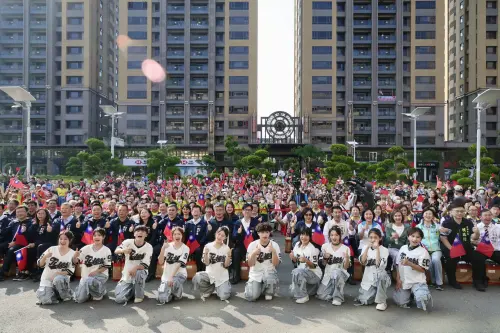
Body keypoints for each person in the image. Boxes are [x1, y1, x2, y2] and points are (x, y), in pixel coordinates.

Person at [440, 204, 486, 291]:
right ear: (452, 212)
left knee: (478, 257)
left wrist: (477, 233)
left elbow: (474, 238)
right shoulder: (446, 223)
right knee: (451, 258)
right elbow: (443, 238)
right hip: (451, 246)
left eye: (462, 211)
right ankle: (452, 280)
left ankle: (478, 281)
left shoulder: (468, 222)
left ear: (465, 212)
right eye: (457, 211)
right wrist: (451, 249)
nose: (460, 213)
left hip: (466, 247)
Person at [393, 228, 432, 311]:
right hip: (405, 281)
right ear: (408, 237)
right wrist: (398, 279)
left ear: (421, 239)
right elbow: (398, 265)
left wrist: (410, 263)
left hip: (417, 281)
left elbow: (423, 270)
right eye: (412, 236)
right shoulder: (403, 248)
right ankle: (410, 295)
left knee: (422, 301)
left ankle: (418, 293)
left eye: (418, 237)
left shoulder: (423, 251)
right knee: (401, 302)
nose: (414, 239)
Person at [114, 225, 153, 304]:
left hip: (140, 272)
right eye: (138, 231)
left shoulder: (149, 247)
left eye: (143, 231)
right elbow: (116, 251)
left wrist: (135, 268)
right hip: (127, 274)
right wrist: (123, 250)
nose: (140, 233)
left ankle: (139, 296)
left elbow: (145, 265)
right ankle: (134, 289)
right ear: (134, 234)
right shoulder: (128, 242)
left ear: (146, 235)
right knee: (120, 299)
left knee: (139, 272)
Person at [35, 231, 77, 305]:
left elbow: (71, 270)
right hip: (47, 279)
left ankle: (66, 294)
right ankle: (53, 294)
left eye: (65, 239)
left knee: (58, 279)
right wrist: (45, 257)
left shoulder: (72, 253)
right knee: (46, 301)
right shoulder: (51, 249)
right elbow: (40, 264)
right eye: (60, 239)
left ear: (70, 240)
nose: (62, 241)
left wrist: (60, 273)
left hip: (61, 280)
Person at [354, 229, 390, 311]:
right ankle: (375, 294)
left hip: (380, 277)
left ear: (380, 238)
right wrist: (367, 248)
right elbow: (362, 262)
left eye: (375, 237)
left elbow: (378, 264)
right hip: (368, 278)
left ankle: (382, 301)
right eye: (370, 237)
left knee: (382, 275)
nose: (373, 239)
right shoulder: (365, 248)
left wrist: (377, 249)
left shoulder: (384, 250)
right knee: (365, 300)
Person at [192, 227, 232, 301]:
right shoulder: (208, 246)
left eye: (222, 235)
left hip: (222, 276)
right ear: (216, 233)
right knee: (197, 276)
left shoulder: (227, 248)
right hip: (210, 274)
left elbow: (226, 266)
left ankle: (225, 286)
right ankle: (209, 289)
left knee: (223, 297)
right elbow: (206, 263)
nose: (219, 237)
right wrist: (206, 254)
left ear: (225, 237)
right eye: (219, 234)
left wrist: (229, 256)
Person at [244, 223, 281, 301]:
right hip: (256, 272)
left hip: (269, 272)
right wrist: (253, 253)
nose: (265, 234)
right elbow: (250, 264)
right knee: (252, 297)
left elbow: (276, 264)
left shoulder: (274, 245)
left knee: (269, 295)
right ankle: (253, 287)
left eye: (267, 232)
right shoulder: (252, 245)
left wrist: (274, 252)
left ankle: (268, 291)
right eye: (262, 232)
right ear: (258, 233)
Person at [74, 228, 112, 303]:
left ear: (103, 237)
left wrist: (96, 271)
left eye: (99, 235)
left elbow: (107, 266)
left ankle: (99, 292)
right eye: (94, 235)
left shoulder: (107, 250)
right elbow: (76, 261)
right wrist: (75, 256)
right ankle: (89, 291)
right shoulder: (86, 248)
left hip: (100, 275)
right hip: (86, 276)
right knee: (80, 299)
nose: (96, 237)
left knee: (90, 281)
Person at [316, 226, 350, 306]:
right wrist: (325, 258)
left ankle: (338, 298)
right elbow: (323, 265)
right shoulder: (325, 246)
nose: (334, 237)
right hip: (328, 275)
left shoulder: (346, 248)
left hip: (340, 275)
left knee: (337, 272)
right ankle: (334, 291)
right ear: (329, 236)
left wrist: (347, 258)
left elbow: (346, 267)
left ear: (340, 236)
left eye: (336, 235)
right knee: (321, 295)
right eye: (332, 235)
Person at [157, 227, 190, 305]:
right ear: (172, 236)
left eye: (179, 234)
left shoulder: (186, 248)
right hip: (167, 275)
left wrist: (171, 277)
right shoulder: (168, 246)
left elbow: (179, 264)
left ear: (182, 235)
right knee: (162, 299)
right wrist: (163, 248)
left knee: (174, 283)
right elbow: (161, 261)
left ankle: (177, 292)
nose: (177, 236)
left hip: (179, 274)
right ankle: (170, 292)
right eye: (175, 234)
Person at [289, 228, 321, 304]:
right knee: (292, 293)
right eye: (302, 234)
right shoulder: (297, 245)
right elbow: (296, 261)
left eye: (307, 235)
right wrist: (293, 258)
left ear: (310, 237)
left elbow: (314, 266)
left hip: (314, 274)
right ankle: (312, 289)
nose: (304, 237)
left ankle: (303, 296)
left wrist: (306, 260)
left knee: (296, 272)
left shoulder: (313, 249)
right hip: (302, 272)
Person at [231, 203, 259, 284]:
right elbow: (233, 238)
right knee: (236, 253)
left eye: (249, 210)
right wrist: (238, 233)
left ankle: (255, 276)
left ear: (251, 211)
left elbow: (259, 236)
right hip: (241, 245)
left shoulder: (255, 222)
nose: (247, 211)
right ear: (242, 211)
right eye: (246, 210)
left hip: (253, 245)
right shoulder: (238, 223)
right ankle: (236, 276)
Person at [417, 207, 444, 290]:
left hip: (436, 249)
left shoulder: (437, 226)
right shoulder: (418, 227)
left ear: (433, 216)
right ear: (423, 215)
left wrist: (443, 230)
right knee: (430, 262)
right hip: (424, 250)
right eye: (426, 213)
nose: (428, 215)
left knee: (435, 259)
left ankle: (439, 283)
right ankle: (433, 281)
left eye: (430, 214)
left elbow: (444, 235)